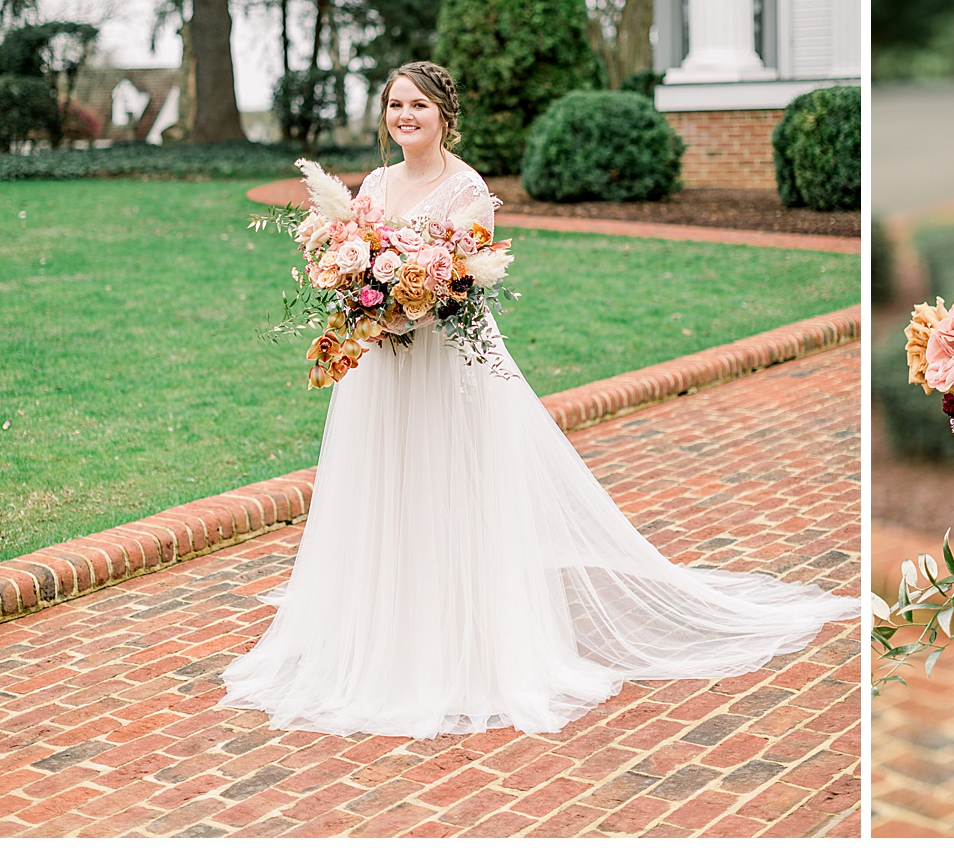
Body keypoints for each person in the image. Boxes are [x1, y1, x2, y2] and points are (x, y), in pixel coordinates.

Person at [220, 61, 854, 738]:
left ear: (444, 116)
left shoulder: (467, 188)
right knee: (387, 487)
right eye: (395, 105)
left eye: (419, 106)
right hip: (382, 369)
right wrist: (362, 298)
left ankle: (458, 645)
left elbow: (466, 282)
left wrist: (421, 303)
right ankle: (388, 622)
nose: (405, 116)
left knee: (447, 488)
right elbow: (350, 261)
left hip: (442, 367)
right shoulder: (374, 184)